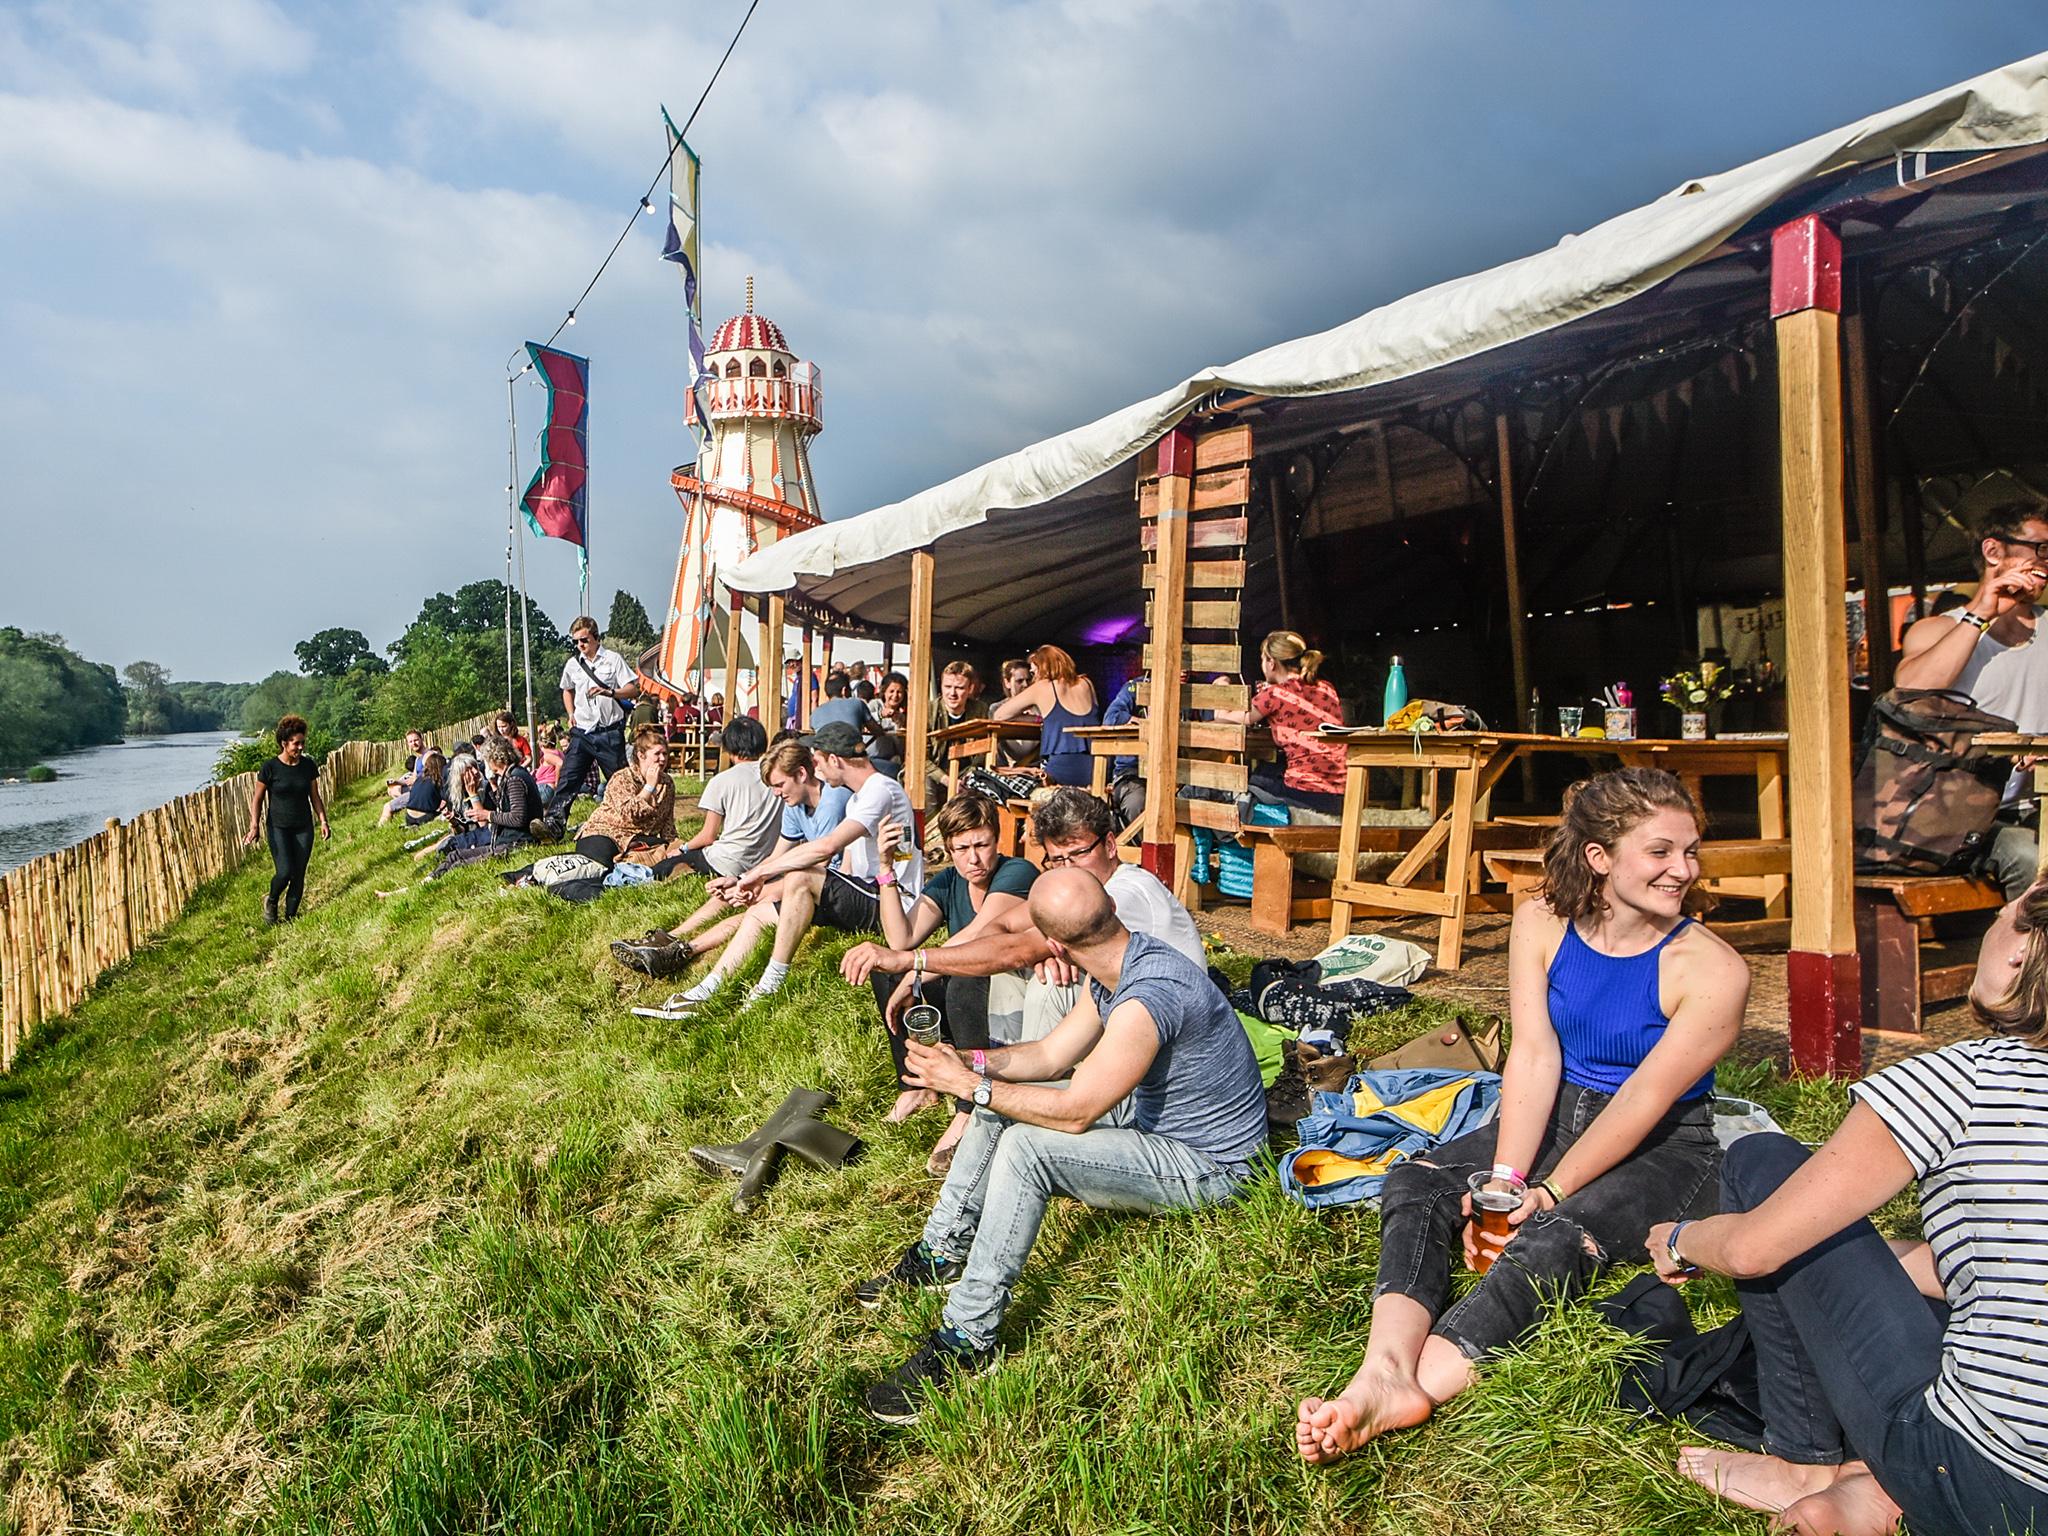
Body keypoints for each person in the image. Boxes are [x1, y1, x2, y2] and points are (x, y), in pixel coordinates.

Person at [1296, 768, 1746, 1464]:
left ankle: (1416, 1386)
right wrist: (1507, 1182)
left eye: (1690, 852)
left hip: (1664, 1145)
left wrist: (1549, 1192)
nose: (1682, 870)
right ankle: (1381, 1368)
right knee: (1414, 1184)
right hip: (1559, 1108)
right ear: (1599, 857)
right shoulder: (1541, 919)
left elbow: (1644, 1100)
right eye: (1660, 852)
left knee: (1554, 1234)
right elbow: (1535, 1055)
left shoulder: (1712, 968)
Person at [1652, 886, 2048, 1536]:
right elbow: (2002, 1269)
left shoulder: (1972, 1076)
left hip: (1980, 1482)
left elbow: (1754, 1247)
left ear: (2021, 954)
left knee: (1763, 1163)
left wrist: (1681, 1239)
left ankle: (1802, 1463)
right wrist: (1860, 1264)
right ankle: (1872, 1491)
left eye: (1999, 915)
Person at [854, 869, 1267, 1424]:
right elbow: (1050, 1056)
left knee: (1029, 1147)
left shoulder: (1149, 995)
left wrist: (973, 1087)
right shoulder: (1121, 960)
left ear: (1055, 944)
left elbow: (1075, 1113)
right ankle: (943, 1253)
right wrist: (967, 1066)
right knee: (1002, 1101)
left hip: (1209, 1163)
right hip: (1158, 1118)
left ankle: (969, 1338)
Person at [669, 721, 920, 1012]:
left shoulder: (879, 791)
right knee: (758, 913)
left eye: (818, 761)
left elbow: (826, 849)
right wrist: (755, 881)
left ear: (834, 759)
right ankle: (706, 990)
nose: (818, 769)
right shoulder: (858, 799)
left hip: (892, 901)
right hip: (866, 892)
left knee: (800, 876)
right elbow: (846, 869)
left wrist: (759, 876)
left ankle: (770, 983)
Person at [864, 792, 1037, 1172]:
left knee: (959, 977)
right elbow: (900, 940)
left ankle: (969, 1107)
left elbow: (979, 935)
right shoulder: (948, 883)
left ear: (997, 839)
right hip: (971, 1003)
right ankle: (916, 1084)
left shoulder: (1017, 873)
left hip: (1014, 998)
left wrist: (916, 971)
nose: (973, 859)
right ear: (949, 849)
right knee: (889, 972)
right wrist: (886, 869)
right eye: (961, 848)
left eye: (982, 845)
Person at [1894, 501, 2048, 898]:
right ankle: (2021, 959)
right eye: (2040, 548)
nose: (2046, 561)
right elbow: (1909, 692)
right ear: (1994, 551)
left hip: (2041, 806)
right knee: (2029, 858)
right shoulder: (1935, 631)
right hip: (1960, 817)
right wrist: (1982, 611)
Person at [612, 739, 852, 982]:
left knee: (752, 908)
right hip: (811, 879)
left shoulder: (833, 802)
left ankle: (681, 951)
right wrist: (741, 879)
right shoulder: (794, 806)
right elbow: (777, 855)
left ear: (801, 774)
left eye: (779, 785)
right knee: (731, 892)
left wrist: (754, 885)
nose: (776, 794)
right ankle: (668, 938)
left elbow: (818, 866)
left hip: (830, 884)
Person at [1214, 630, 1346, 815]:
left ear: (1271, 663)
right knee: (1270, 770)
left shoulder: (1275, 694)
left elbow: (1224, 721)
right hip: (1340, 794)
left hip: (1305, 793)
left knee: (1252, 781)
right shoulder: (1327, 688)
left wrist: (1220, 689)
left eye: (1262, 659)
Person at [537, 615, 639, 835]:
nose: (580, 645)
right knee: (568, 778)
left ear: (595, 638)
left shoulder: (612, 659)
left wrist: (610, 692)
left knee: (619, 781)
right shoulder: (573, 664)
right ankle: (553, 826)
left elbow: (633, 689)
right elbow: (567, 689)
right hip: (582, 732)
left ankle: (631, 822)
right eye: (575, 641)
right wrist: (571, 713)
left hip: (608, 732)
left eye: (583, 640)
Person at [660, 716, 781, 879]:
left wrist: (683, 848)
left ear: (729, 746)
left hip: (728, 862)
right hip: (768, 860)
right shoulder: (777, 777)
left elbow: (708, 835)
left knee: (666, 865)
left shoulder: (722, 780)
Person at [242, 714, 330, 924]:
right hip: (278, 827)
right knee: (285, 871)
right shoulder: (270, 768)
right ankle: (271, 900)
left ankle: (291, 918)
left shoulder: (308, 766)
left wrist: (323, 821)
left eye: (302, 743)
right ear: (284, 743)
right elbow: (258, 798)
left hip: (303, 826)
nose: (300, 747)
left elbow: (315, 797)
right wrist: (254, 826)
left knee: (299, 874)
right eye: (296, 743)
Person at [426, 736, 541, 876]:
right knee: (454, 856)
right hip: (507, 839)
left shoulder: (515, 779)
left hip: (517, 842)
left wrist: (487, 815)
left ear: (494, 759)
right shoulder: (511, 775)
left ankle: (432, 881)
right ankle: (428, 880)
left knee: (458, 864)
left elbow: (518, 818)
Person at [573, 725, 676, 870]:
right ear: (641, 755)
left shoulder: (667, 783)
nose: (662, 759)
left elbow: (667, 822)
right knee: (600, 866)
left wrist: (673, 846)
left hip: (637, 839)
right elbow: (629, 813)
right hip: (606, 833)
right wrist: (649, 787)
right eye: (657, 754)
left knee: (666, 855)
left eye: (665, 754)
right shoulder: (623, 778)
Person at [992, 645, 1098, 787]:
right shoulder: (1087, 683)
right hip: (1097, 766)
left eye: (1033, 671)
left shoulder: (1043, 687)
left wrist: (1037, 719)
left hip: (1063, 768)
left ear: (1042, 667)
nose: (1033, 676)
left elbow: (999, 715)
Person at [925, 660, 990, 806]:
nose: (952, 693)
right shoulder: (928, 710)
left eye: (959, 688)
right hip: (934, 772)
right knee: (925, 786)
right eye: (947, 687)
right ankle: (927, 829)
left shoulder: (980, 710)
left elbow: (984, 749)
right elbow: (921, 758)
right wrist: (948, 780)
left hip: (966, 772)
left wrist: (970, 774)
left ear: (970, 688)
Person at [379, 749, 447, 827]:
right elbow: (444, 800)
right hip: (425, 816)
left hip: (409, 817)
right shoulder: (438, 781)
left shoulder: (419, 779)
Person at [995, 657, 1040, 767]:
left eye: (1028, 680)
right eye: (1019, 681)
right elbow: (998, 717)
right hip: (1006, 768)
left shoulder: (1040, 708)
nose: (1025, 685)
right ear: (1007, 683)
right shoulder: (996, 708)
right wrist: (1036, 720)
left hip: (1037, 767)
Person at [533, 726, 566, 806]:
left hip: (545, 787)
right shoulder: (559, 753)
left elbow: (560, 763)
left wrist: (556, 783)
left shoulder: (548, 755)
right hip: (547, 788)